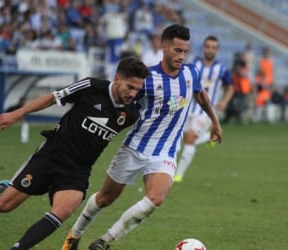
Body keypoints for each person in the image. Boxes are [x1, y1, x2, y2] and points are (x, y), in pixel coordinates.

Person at [62, 24, 222, 250]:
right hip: (135, 147)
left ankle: (105, 241)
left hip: (165, 152)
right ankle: (73, 235)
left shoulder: (191, 73)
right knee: (105, 198)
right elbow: (120, 100)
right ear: (164, 48)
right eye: (177, 51)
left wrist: (215, 122)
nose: (182, 56)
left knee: (155, 199)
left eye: (185, 51)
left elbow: (200, 94)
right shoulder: (146, 78)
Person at [0, 57, 149, 250]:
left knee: (64, 210)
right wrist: (17, 113)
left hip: (78, 169)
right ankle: (2, 190)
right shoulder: (91, 86)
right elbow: (53, 97)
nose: (133, 94)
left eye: (137, 90)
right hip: (52, 155)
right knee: (3, 206)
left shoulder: (130, 114)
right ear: (117, 78)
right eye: (130, 87)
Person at [174, 35, 233, 183]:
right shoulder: (193, 64)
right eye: (208, 47)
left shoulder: (222, 69)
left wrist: (225, 101)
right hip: (188, 108)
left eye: (213, 47)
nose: (210, 50)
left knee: (191, 139)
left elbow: (230, 87)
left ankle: (178, 175)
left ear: (217, 50)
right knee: (185, 138)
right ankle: (209, 137)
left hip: (205, 112)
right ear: (203, 48)